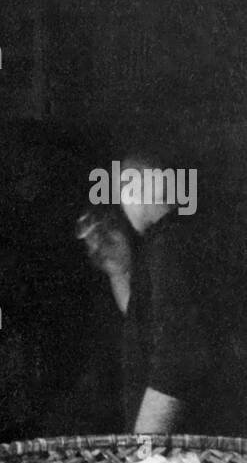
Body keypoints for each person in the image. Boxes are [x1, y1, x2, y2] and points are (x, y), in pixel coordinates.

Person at [81, 150, 244, 435]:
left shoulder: (169, 244)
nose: (122, 204)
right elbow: (147, 320)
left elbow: (179, 358)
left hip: (186, 440)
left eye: (122, 190)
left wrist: (142, 447)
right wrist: (118, 269)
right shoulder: (163, 242)